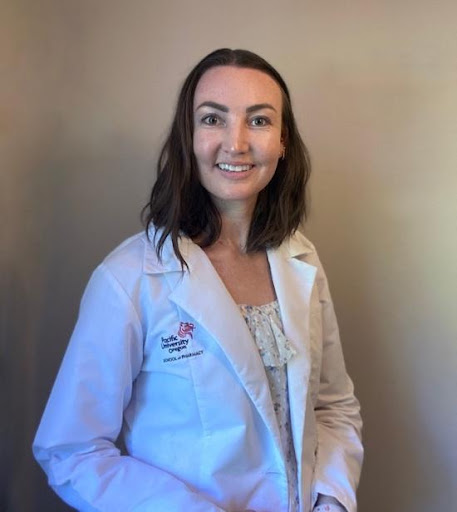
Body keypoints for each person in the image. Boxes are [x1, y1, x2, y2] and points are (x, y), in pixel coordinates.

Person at [33, 48, 363, 512]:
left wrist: (332, 499)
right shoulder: (128, 278)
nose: (237, 143)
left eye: (259, 121)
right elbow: (72, 451)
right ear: (188, 137)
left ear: (283, 141)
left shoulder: (301, 259)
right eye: (213, 119)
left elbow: (333, 406)